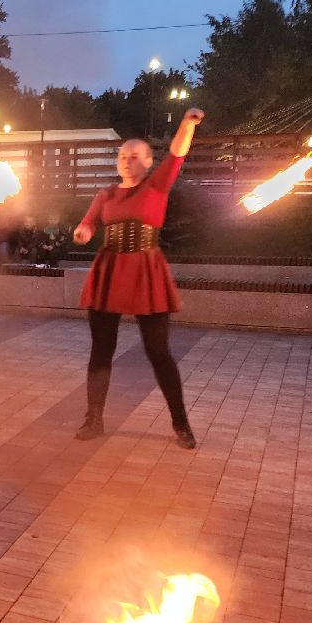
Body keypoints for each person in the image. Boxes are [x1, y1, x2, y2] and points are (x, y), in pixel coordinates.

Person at [72, 109, 204, 449]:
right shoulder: (106, 195)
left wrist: (187, 123)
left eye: (135, 157)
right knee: (101, 350)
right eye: (123, 156)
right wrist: (84, 231)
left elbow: (177, 153)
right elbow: (89, 223)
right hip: (110, 271)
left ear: (147, 162)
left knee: (158, 351)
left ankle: (181, 424)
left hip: (147, 273)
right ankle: (94, 418)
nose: (127, 161)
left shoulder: (156, 186)